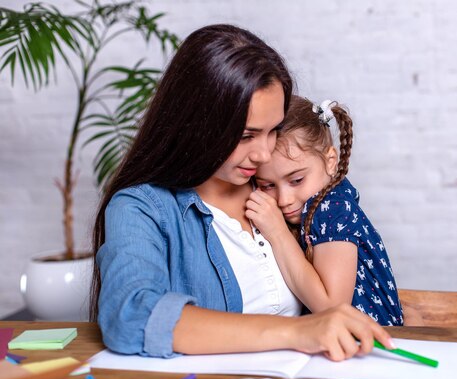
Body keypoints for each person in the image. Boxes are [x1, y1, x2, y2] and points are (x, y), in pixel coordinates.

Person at [90, 24, 395, 360]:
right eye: (247, 135)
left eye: (273, 130)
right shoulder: (143, 208)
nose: (264, 154)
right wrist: (299, 332)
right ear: (196, 123)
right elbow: (130, 315)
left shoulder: (279, 189)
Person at [246, 96, 404, 325]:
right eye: (267, 185)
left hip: (368, 346)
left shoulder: (332, 208)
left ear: (331, 161)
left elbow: (331, 308)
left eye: (297, 180)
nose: (283, 199)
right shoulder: (320, 203)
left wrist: (278, 233)